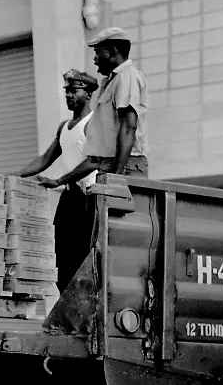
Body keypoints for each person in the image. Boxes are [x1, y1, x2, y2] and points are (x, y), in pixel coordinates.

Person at [17, 69, 100, 291]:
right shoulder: (64, 127)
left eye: (75, 91)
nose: (69, 95)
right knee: (63, 259)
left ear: (88, 94)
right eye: (67, 91)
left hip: (90, 199)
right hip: (70, 197)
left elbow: (93, 161)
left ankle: (85, 308)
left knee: (84, 258)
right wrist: (17, 175)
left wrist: (59, 180)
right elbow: (46, 158)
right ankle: (68, 307)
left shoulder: (94, 123)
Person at [39, 27, 149, 189]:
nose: (95, 59)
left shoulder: (127, 76)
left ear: (113, 50)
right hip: (111, 166)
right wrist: (59, 182)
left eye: (98, 52)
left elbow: (128, 127)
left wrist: (116, 179)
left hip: (125, 166)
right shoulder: (111, 81)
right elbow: (95, 159)